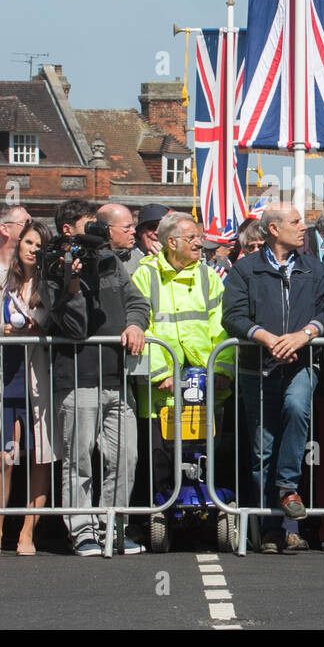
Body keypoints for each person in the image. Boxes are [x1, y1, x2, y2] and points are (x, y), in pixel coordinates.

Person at [222, 203, 324, 554]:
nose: (303, 227)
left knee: (298, 409)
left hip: (300, 364)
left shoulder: (314, 268)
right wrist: (267, 339)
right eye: (296, 222)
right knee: (262, 448)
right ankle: (270, 528)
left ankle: (287, 490)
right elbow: (233, 316)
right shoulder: (245, 270)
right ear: (273, 229)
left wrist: (304, 335)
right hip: (258, 366)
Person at [45, 203, 149, 556]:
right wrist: (72, 283)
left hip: (116, 378)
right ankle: (82, 530)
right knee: (80, 461)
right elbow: (75, 328)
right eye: (90, 226)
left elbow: (138, 302)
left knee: (125, 457)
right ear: (69, 231)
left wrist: (135, 324)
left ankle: (114, 526)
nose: (98, 233)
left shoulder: (109, 261)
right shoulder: (53, 269)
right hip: (78, 378)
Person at [129, 212, 234, 504]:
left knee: (204, 458)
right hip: (160, 390)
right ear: (171, 242)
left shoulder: (208, 276)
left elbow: (222, 325)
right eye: (192, 238)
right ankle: (158, 512)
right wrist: (161, 373)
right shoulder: (145, 275)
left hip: (204, 385)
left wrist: (223, 368)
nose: (200, 243)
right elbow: (142, 326)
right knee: (159, 463)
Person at [0, 219, 55, 556]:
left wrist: (42, 325)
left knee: (40, 457)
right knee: (3, 457)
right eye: (29, 242)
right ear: (18, 244)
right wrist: (2, 331)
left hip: (39, 375)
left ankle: (27, 531)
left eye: (40, 245)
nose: (33, 249)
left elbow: (59, 323)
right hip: (5, 375)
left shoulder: (50, 285)